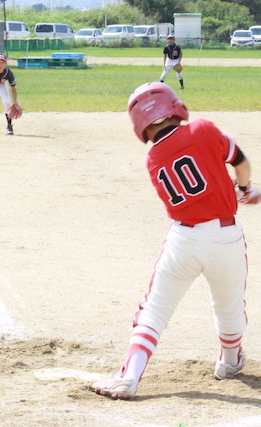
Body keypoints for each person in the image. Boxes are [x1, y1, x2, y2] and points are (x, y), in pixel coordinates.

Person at [91, 82, 256, 400]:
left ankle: (129, 377)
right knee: (229, 306)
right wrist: (245, 189)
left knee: (154, 309)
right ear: (172, 106)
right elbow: (240, 163)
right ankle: (230, 362)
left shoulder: (152, 159)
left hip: (184, 238)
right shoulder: (202, 129)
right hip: (225, 237)